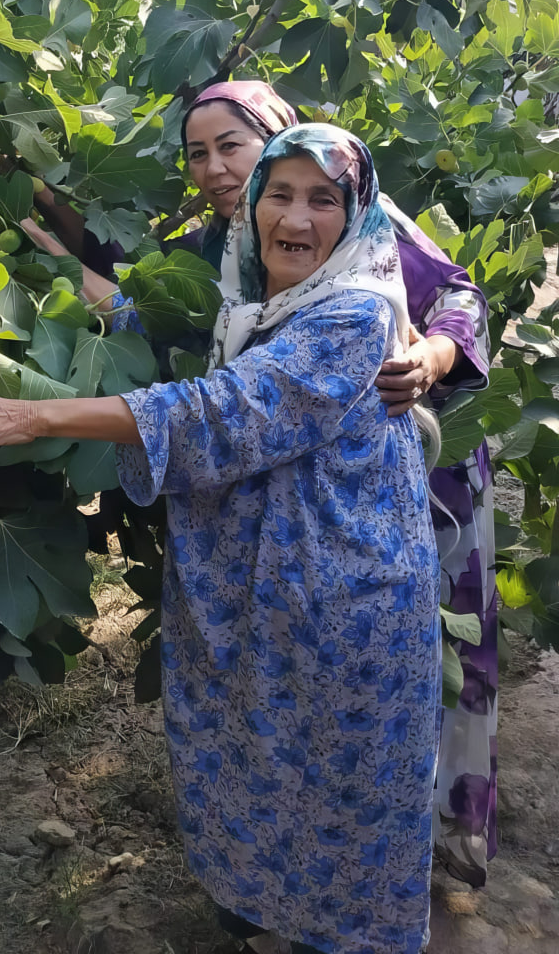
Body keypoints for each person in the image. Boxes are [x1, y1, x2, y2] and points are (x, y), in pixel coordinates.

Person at [0, 125, 442, 954]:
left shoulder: (353, 315)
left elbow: (219, 409)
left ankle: (341, 936)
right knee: (267, 767)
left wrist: (29, 415)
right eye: (280, 193)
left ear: (359, 218)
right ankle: (268, 912)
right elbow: (143, 322)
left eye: (323, 199)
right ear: (255, 206)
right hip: (272, 592)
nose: (296, 216)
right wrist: (44, 241)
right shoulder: (247, 297)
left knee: (340, 791)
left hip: (344, 604)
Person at [26, 79, 496, 888]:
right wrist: (67, 251)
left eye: (231, 146)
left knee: (442, 660)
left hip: (422, 466)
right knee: (331, 696)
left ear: (276, 137)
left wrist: (432, 358)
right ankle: (316, 859)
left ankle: (454, 835)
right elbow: (167, 319)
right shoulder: (224, 244)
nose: (213, 168)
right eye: (196, 153)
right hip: (291, 492)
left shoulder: (350, 208)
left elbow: (457, 295)